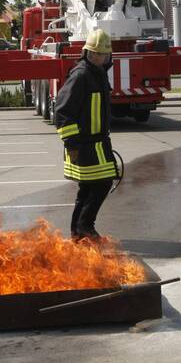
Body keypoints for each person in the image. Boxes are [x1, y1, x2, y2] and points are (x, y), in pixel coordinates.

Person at [53, 29, 120, 241]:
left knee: (89, 187)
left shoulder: (96, 73)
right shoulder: (81, 75)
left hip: (97, 142)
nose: (107, 58)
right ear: (92, 54)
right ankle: (84, 226)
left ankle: (78, 232)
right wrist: (71, 144)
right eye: (104, 54)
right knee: (102, 183)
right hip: (85, 144)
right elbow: (62, 111)